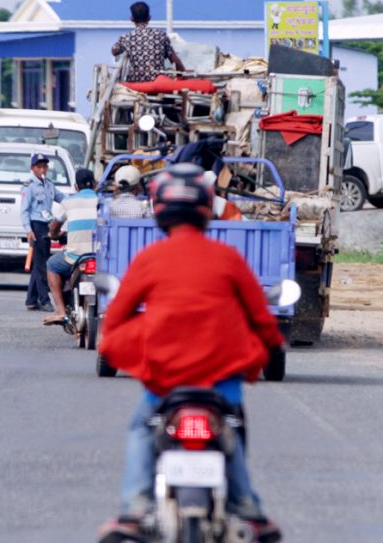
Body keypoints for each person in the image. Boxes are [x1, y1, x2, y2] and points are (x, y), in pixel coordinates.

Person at [97, 164, 283, 543]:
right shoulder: (227, 257)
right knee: (232, 428)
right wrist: (270, 348)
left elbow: (115, 319)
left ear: (160, 209)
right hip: (222, 379)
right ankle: (249, 509)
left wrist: (122, 348)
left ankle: (134, 511)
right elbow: (262, 318)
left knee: (142, 429)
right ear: (206, 208)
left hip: (167, 381)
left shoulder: (150, 258)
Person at [43, 168, 99, 325]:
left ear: (76, 186)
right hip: (100, 256)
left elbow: (54, 227)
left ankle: (61, 311)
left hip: (75, 257)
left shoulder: (68, 202)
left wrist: (54, 234)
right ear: (94, 184)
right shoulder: (102, 201)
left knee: (52, 264)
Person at [20, 153, 66, 312]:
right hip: (36, 226)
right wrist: (28, 230)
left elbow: (62, 198)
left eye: (44, 166)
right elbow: (24, 210)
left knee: (40, 262)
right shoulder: (29, 186)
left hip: (47, 225)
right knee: (41, 265)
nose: (42, 170)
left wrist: (78, 200)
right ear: (32, 168)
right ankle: (44, 299)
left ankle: (31, 300)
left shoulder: (49, 185)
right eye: (38, 167)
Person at [111, 1, 186, 83]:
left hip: (135, 81)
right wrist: (183, 74)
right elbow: (174, 60)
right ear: (149, 18)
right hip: (158, 81)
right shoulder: (160, 35)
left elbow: (114, 51)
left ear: (132, 19)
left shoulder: (126, 38)